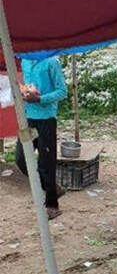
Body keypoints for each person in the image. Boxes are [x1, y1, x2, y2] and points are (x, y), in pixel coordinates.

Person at [14, 56, 68, 219]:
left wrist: (40, 99)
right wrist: (24, 92)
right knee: (21, 159)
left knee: (47, 163)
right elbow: (28, 86)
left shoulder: (51, 62)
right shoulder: (25, 61)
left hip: (46, 118)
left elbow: (62, 91)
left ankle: (52, 205)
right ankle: (52, 188)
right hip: (28, 118)